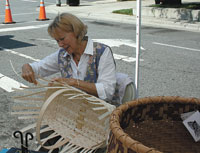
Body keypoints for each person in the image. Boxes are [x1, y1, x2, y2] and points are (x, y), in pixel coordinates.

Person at [22, 12, 117, 104]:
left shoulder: (102, 52)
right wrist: (26, 67)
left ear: (76, 32)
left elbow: (107, 91)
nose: (60, 45)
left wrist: (73, 82)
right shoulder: (63, 55)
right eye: (57, 41)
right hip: (73, 112)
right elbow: (38, 68)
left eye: (62, 39)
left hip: (99, 113)